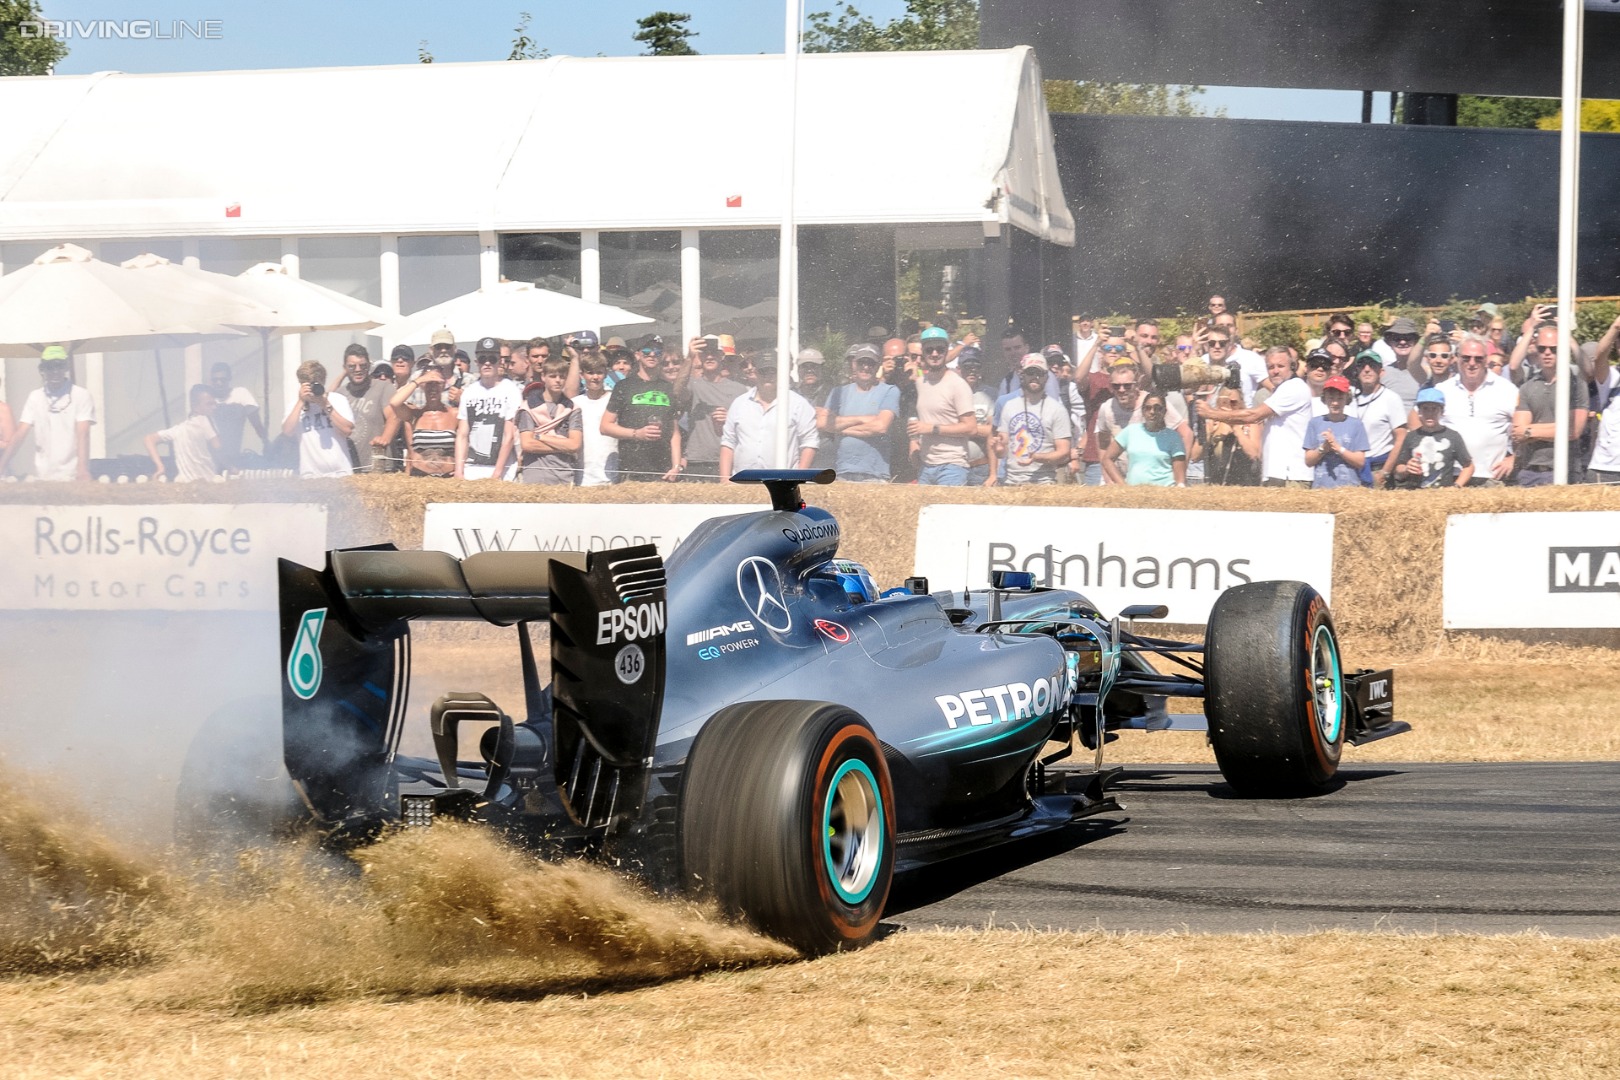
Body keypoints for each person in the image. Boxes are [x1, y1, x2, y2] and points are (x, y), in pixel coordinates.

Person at [1199, 348, 1331, 488]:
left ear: (1292, 366)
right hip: (1277, 474)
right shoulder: (1281, 389)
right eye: (1270, 367)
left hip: (1291, 475)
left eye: (1280, 366)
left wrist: (1212, 414)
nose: (1275, 371)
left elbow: (1254, 415)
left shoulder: (1294, 387)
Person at [719, 350, 818, 479]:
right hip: (742, 484)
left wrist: (797, 478)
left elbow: (810, 443)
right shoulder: (739, 404)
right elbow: (728, 443)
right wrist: (724, 480)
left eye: (773, 371)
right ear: (755, 372)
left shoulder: (798, 404)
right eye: (763, 371)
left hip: (782, 485)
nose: (768, 376)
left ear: (781, 372)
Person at [0, 348, 95, 481]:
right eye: (50, 367)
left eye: (59, 366)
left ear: (66, 367)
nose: (55, 371)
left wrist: (82, 469)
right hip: (43, 475)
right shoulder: (35, 397)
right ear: (42, 370)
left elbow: (83, 434)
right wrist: (2, 466)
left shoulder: (81, 395)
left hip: (73, 476)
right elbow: (20, 434)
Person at [1512, 322, 1589, 486]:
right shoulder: (1527, 387)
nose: (1547, 353)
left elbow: (1573, 430)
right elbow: (1518, 432)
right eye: (1542, 348)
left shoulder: (1576, 385)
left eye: (1554, 349)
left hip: (1566, 472)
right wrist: (1556, 429)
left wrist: (1529, 432)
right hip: (1529, 472)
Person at [1439, 336, 1519, 485]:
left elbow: (1525, 426)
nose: (1472, 363)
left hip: (1492, 478)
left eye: (1478, 359)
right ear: (1456, 358)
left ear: (1486, 360)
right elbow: (1418, 423)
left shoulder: (1506, 390)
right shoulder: (1443, 390)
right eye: (1466, 358)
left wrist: (1514, 458)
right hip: (1451, 477)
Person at [603, 336, 681, 482]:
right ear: (637, 355)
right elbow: (605, 426)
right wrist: (637, 433)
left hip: (663, 471)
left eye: (657, 351)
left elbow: (674, 433)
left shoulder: (668, 388)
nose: (652, 354)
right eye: (646, 350)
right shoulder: (623, 386)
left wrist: (676, 466)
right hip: (631, 472)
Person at [818, 343, 899, 483]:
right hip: (841, 472)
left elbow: (881, 426)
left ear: (878, 365)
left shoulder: (890, 391)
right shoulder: (838, 392)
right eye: (862, 362)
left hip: (875, 474)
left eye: (871, 363)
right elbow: (821, 423)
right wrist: (865, 419)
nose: (866, 367)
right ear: (854, 364)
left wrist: (839, 426)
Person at [907, 328, 976, 486]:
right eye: (929, 349)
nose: (935, 353)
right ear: (923, 353)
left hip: (952, 467)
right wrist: (914, 441)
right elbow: (917, 421)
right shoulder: (919, 383)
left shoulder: (958, 385)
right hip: (925, 466)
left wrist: (932, 429)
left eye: (940, 349)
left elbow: (971, 428)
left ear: (947, 352)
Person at [987, 357, 1072, 486]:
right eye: (1030, 373)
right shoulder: (1009, 406)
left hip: (1044, 482)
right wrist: (998, 448)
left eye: (1039, 374)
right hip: (1011, 482)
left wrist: (1039, 457)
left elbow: (1064, 452)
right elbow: (1003, 450)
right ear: (1022, 376)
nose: (1035, 377)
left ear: (1046, 377)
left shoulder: (1057, 410)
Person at [454, 349, 520, 481]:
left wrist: (497, 473)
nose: (487, 363)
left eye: (492, 359)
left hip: (503, 473)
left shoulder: (511, 390)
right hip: (471, 470)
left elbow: (509, 436)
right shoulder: (469, 392)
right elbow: (462, 434)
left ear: (500, 362)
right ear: (476, 362)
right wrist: (459, 471)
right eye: (483, 359)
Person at [282, 360, 354, 479]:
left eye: (315, 385)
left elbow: (347, 430)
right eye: (307, 385)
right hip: (310, 476)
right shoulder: (294, 406)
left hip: (341, 474)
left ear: (323, 381)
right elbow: (287, 432)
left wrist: (325, 404)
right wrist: (301, 401)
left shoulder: (337, 400)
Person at [1390, 388, 1474, 489]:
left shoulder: (1453, 436)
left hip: (1443, 496)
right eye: (1425, 409)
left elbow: (1468, 466)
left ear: (1442, 411)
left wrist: (1456, 486)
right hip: (1415, 495)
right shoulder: (1411, 436)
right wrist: (1407, 468)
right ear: (1419, 412)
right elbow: (1399, 467)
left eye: (1434, 409)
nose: (1430, 414)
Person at [515, 357, 581, 485]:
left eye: (562, 376)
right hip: (534, 477)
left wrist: (540, 437)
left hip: (564, 476)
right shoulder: (528, 407)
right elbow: (527, 444)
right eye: (553, 376)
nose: (558, 380)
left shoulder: (573, 408)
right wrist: (563, 445)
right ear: (543, 377)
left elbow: (575, 445)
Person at [1348, 354, 1409, 488]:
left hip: (1378, 467)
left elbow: (1401, 438)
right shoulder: (1351, 397)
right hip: (1353, 468)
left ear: (1381, 372)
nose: (1367, 369)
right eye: (1362, 365)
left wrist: (1385, 472)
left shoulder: (1391, 398)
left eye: (1372, 366)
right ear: (1357, 371)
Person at [1102, 391, 1186, 486]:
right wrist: (1123, 486)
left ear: (1164, 411)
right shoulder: (1130, 431)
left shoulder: (1174, 437)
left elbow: (1180, 480)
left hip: (1164, 494)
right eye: (1148, 408)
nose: (1152, 412)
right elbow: (1107, 459)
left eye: (1157, 408)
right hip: (1134, 495)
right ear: (1142, 411)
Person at [333, 343, 395, 472]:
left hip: (378, 465)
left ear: (369, 366)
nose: (358, 369)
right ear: (344, 368)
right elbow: (325, 400)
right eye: (352, 366)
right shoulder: (340, 394)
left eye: (362, 365)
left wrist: (385, 438)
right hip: (348, 468)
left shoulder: (382, 387)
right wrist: (344, 373)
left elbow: (394, 417)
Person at [143, 383, 221, 482]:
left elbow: (148, 439)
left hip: (186, 489)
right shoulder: (205, 421)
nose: (214, 407)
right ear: (195, 406)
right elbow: (219, 448)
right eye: (209, 404)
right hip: (209, 485)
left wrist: (160, 467)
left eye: (215, 404)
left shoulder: (178, 430)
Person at [1303, 375, 1369, 488]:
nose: (1335, 403)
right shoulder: (1315, 423)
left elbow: (1360, 462)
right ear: (1325, 399)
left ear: (1346, 399)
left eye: (1340, 398)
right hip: (1321, 489)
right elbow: (1308, 461)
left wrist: (1338, 448)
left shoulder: (1356, 424)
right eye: (1331, 398)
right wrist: (1323, 448)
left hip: (1349, 490)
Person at [394, 364, 457, 477]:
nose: (433, 388)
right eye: (429, 384)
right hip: (420, 477)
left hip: (448, 477)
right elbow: (394, 403)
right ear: (423, 386)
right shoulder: (415, 415)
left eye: (437, 384)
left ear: (443, 385)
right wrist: (419, 380)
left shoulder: (453, 414)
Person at [205, 361, 267, 467]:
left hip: (233, 458)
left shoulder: (240, 394)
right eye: (215, 380)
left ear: (229, 379)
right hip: (209, 459)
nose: (219, 383)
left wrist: (265, 440)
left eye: (222, 380)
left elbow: (256, 422)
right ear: (211, 381)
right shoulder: (206, 398)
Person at [1202, 386, 1261, 486]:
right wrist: (1208, 434)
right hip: (1216, 488)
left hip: (1244, 487)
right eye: (1225, 402)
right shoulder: (1212, 424)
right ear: (1218, 403)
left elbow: (1255, 454)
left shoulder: (1250, 424)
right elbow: (1194, 456)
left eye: (1233, 402)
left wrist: (1235, 426)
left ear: (1241, 403)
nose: (1229, 406)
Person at [1371, 317, 1423, 407]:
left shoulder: (1426, 371)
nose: (1402, 342)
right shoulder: (1382, 373)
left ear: (1415, 342)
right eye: (1397, 338)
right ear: (1390, 343)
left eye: (1408, 338)